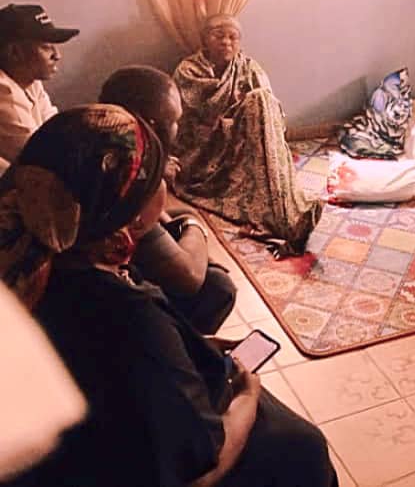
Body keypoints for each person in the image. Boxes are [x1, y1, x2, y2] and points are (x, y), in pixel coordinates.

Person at [0, 105, 338, 487]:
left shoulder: (32, 260)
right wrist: (247, 394)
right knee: (306, 447)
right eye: (157, 178)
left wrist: (188, 344)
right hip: (124, 463)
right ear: (130, 214)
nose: (165, 183)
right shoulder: (128, 316)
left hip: (88, 437)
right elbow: (201, 471)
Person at [99, 65, 237, 335]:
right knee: (218, 287)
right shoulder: (129, 181)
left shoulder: (100, 135)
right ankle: (182, 342)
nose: (179, 128)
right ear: (151, 125)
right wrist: (194, 223)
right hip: (101, 302)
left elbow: (161, 222)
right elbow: (189, 278)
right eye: (175, 120)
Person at [172, 14, 323, 258]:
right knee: (257, 103)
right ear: (205, 40)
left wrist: (250, 116)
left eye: (233, 37)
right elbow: (188, 121)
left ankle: (287, 211)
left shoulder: (249, 67)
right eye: (219, 36)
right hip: (207, 151)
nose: (226, 42)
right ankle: (285, 221)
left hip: (247, 142)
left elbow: (271, 114)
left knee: (261, 101)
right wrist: (232, 122)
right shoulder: (189, 71)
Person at [0, 3, 78, 165]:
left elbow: (59, 130)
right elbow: (42, 160)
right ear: (14, 52)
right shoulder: (3, 91)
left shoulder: (30, 81)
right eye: (46, 47)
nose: (57, 55)